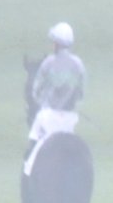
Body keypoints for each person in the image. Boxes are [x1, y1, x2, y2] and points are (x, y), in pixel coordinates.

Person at [25, 21, 86, 175]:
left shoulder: (48, 63)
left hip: (48, 116)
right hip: (70, 118)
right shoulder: (78, 65)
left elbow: (36, 91)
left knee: (34, 136)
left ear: (57, 44)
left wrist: (42, 101)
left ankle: (28, 168)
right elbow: (81, 93)